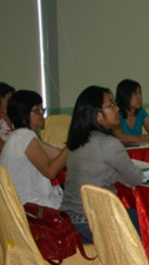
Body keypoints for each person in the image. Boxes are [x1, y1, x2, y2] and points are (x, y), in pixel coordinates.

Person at [60, 85, 144, 242]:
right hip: (93, 221)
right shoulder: (108, 144)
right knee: (148, 222)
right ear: (98, 116)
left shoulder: (76, 141)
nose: (117, 108)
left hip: (69, 218)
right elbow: (136, 178)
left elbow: (102, 173)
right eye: (111, 105)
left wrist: (117, 174)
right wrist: (119, 175)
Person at [0, 90, 69, 208]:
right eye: (37, 110)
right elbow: (50, 172)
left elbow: (58, 154)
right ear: (23, 114)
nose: (42, 114)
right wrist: (72, 144)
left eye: (42, 109)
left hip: (20, 203)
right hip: (29, 205)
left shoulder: (20, 135)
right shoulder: (25, 136)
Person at [113, 79, 149, 144]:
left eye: (140, 93)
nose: (139, 97)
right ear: (125, 96)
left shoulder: (141, 112)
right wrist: (143, 139)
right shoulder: (116, 114)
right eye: (135, 94)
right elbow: (120, 137)